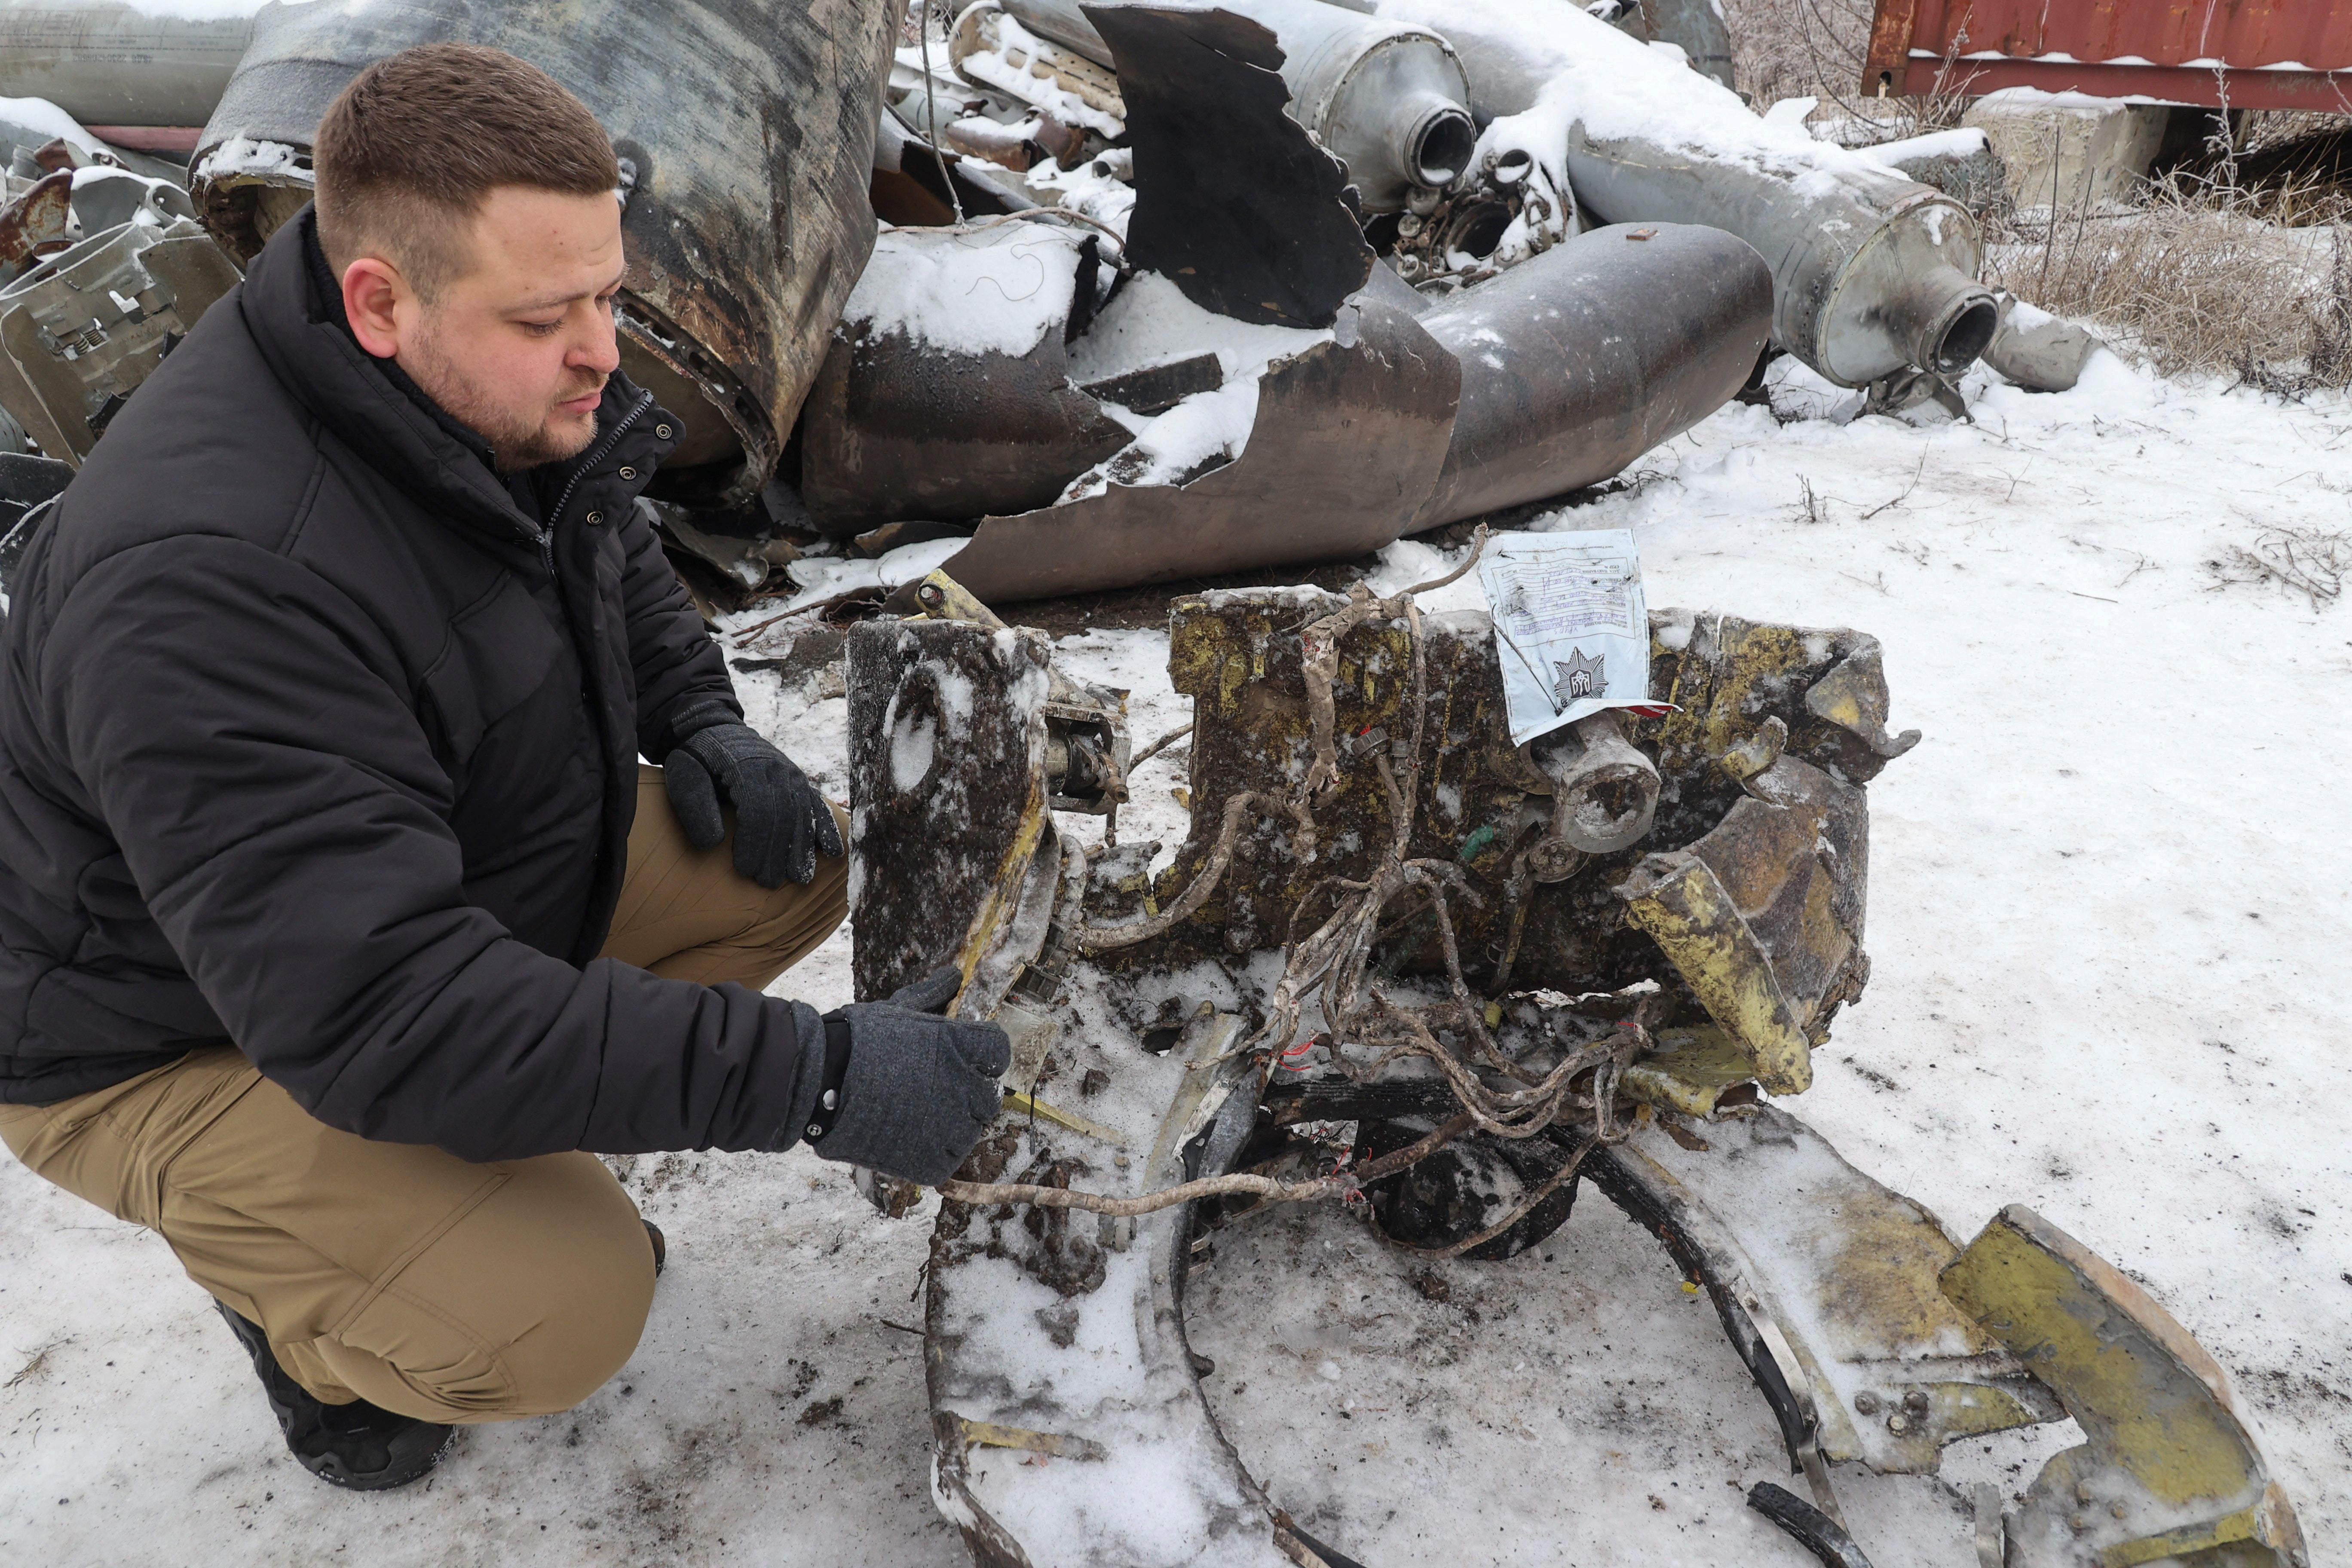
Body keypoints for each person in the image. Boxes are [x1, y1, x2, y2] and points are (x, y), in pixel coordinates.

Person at [0, 43, 1007, 1491]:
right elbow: (386, 1011)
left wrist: (703, 718)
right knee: (560, 1307)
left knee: (776, 868)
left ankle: (451, 1163)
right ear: (378, 300)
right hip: (155, 1036)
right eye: (558, 314)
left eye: (608, 291)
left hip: (372, 907)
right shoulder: (207, 589)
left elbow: (602, 534)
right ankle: (304, 1293)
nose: (602, 345)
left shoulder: (461, 369)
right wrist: (818, 1082)